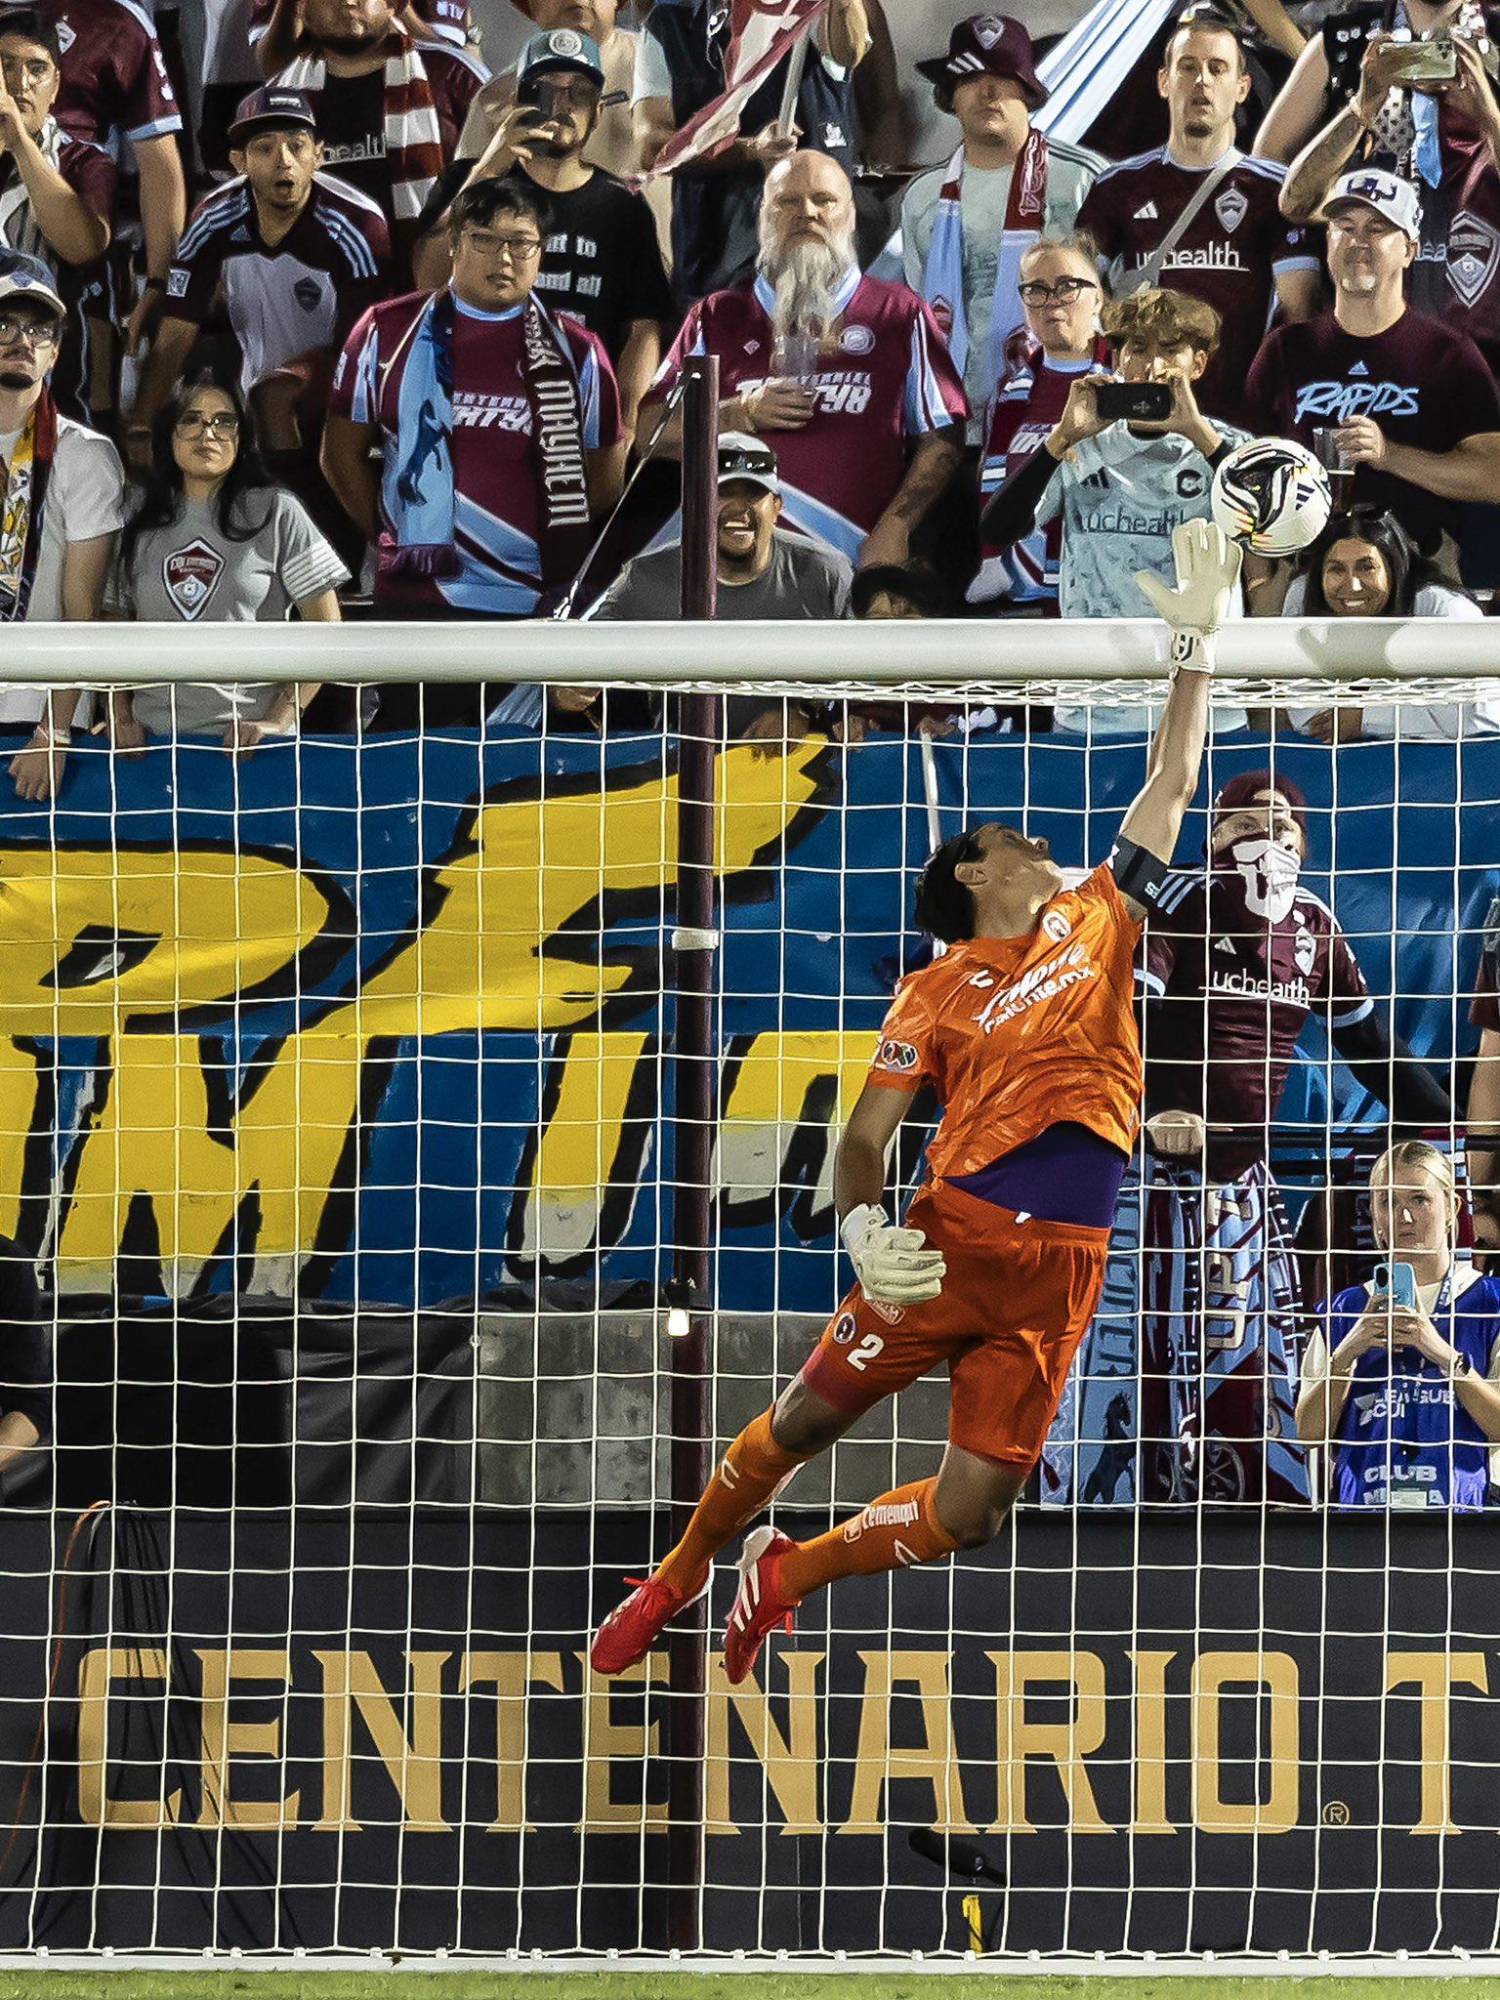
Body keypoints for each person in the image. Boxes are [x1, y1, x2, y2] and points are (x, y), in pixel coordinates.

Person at [589, 517, 1243, 1682]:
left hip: (1066, 1267)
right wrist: (861, 1225)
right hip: (948, 1248)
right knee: (799, 1425)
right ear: (972, 872)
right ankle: (676, 1573)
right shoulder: (932, 990)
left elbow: (1174, 776)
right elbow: (863, 1137)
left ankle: (788, 1572)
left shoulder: (1100, 912)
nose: (1038, 837)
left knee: (974, 1511)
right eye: (1010, 837)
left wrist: (1197, 644)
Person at [1060, 770, 1453, 1509]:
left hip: (1242, 1187)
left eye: (1282, 825)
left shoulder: (1313, 923)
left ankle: (1247, 1512)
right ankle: (1096, 1508)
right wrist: (1148, 1112)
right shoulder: (1178, 902)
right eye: (1245, 824)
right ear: (1213, 839)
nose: (1265, 837)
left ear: (1305, 845)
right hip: (1142, 1181)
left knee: (1247, 1359)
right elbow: (1115, 1027)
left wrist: (1454, 1131)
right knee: (1126, 1362)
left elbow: (1371, 1047)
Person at [322, 178, 622, 711]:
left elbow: (601, 480)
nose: (503, 257)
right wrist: (397, 534)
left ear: (540, 253)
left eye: (520, 242)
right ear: (455, 244)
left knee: (519, 784)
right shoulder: (385, 331)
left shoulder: (578, 352)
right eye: (484, 239)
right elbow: (340, 455)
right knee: (414, 775)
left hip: (532, 605)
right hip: (416, 604)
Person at [645, 150, 967, 573]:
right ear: (764, 216)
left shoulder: (898, 313)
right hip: (730, 573)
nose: (807, 213)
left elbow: (944, 439)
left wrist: (896, 527)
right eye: (788, 201)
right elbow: (649, 433)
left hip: (850, 560)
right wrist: (736, 414)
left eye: (824, 200)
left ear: (850, 216)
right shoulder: (716, 316)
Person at [979, 284, 1250, 734]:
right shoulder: (1080, 449)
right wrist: (1060, 439)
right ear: (1117, 358)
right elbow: (998, 528)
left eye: (1170, 350)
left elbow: (1272, 526)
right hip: (1095, 709)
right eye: (1137, 348)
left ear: (1197, 364)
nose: (1152, 365)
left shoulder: (1229, 448)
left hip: (1205, 708)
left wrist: (1200, 435)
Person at [411, 30, 670, 441]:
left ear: (598, 114)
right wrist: (489, 169)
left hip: (576, 412)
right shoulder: (468, 181)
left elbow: (642, 329)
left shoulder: (622, 207)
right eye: (543, 91)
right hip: (475, 403)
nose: (561, 106)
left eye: (579, 94)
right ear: (518, 102)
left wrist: (623, 427)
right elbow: (427, 280)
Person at [1244, 167, 1500, 564]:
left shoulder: (1447, 354)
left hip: (1422, 569)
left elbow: (1493, 477)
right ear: (1327, 240)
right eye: (1344, 227)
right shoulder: (1285, 350)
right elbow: (1247, 477)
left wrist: (1389, 455)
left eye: (1377, 229)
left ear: (1410, 249)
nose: (1357, 241)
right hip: (1311, 571)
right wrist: (1263, 585)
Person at [1077, 11, 1319, 426]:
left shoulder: (1276, 192)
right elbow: (1077, 301)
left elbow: (1301, 318)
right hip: (1138, 417)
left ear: (1242, 88)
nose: (1201, 81)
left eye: (1217, 68)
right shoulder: (1116, 187)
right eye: (1187, 67)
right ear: (1163, 82)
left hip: (1238, 422)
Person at [129, 87, 391, 456]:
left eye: (296, 146)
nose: (283, 161)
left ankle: (289, 500)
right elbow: (176, 330)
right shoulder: (212, 219)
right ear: (240, 161)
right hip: (254, 382)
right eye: (264, 148)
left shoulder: (357, 225)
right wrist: (141, 423)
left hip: (340, 371)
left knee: (273, 396)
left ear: (319, 155)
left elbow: (362, 350)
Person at [109, 373, 345, 751]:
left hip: (249, 750)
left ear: (243, 436)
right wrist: (120, 717)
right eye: (191, 419)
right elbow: (111, 625)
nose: (208, 433)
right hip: (150, 747)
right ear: (168, 434)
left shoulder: (276, 511)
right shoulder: (135, 516)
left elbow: (327, 629)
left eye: (224, 421)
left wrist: (280, 720)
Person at [898, 15, 1099, 436]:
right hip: (951, 420)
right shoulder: (922, 196)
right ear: (950, 95)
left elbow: (1113, 301)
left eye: (1004, 77)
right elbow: (921, 317)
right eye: (971, 78)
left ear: (1028, 91)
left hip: (1059, 418)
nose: (988, 92)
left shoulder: (1083, 179)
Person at [1296, 1141, 1500, 1509]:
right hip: (1362, 1522)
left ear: (1452, 1208)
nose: (1404, 1218)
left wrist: (1441, 1351)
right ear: (1374, 1217)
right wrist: (1347, 1353)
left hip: (1461, 1523)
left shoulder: (1491, 1303)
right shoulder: (1343, 1311)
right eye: (1388, 1202)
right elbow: (1309, 1434)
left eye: (1419, 1200)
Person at [632, 0, 869, 305]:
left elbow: (849, 51)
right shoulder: (668, 24)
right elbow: (653, 146)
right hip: (711, 264)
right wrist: (750, 151)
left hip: (813, 267)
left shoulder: (810, 9)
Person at [0, 250, 124, 802]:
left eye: (38, 328)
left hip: (35, 718)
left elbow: (84, 613)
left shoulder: (85, 454)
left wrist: (54, 730)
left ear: (55, 350)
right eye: (3, 324)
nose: (21, 340)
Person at [268, 0, 489, 271]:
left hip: (435, 290)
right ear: (301, 8)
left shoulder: (456, 76)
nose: (348, 2)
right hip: (320, 294)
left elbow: (506, 189)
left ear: (394, 4)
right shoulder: (276, 98)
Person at [45, 0, 186, 367]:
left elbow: (158, 162)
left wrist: (159, 281)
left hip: (76, 247)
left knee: (72, 407)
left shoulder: (115, 18)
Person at [971, 231, 1107, 611]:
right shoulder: (1008, 391)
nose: (1051, 302)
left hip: (1103, 589)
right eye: (1036, 290)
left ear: (1097, 296)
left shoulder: (1127, 378)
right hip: (1019, 594)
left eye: (1067, 287)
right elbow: (994, 486)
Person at [1281, 505, 1495, 742]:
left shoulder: (1444, 609)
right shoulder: (1302, 595)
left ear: (1394, 567)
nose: (1352, 585)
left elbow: (1477, 721)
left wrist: (1365, 718)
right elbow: (1310, 718)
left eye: (1367, 567)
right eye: (1337, 570)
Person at [0, 9, 114, 422]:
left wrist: (16, 140)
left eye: (36, 69)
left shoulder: (84, 160)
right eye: (6, 66)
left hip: (48, 392)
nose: (20, 82)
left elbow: (83, 247)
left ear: (56, 86)